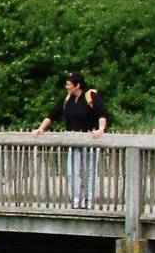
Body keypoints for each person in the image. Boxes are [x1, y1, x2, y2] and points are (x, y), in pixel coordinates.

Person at [33, 71, 109, 209]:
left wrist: (101, 129)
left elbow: (102, 113)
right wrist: (40, 129)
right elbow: (52, 114)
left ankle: (89, 202)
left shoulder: (90, 96)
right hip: (73, 140)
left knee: (90, 171)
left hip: (89, 140)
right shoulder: (67, 99)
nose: (67, 87)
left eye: (69, 85)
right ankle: (76, 202)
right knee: (72, 172)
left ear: (77, 85)